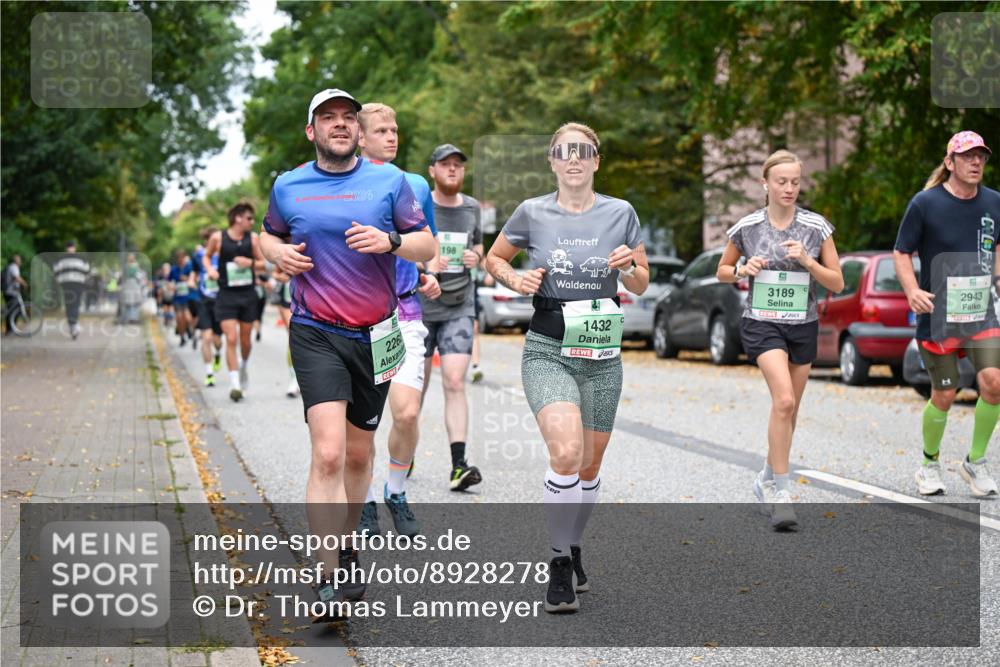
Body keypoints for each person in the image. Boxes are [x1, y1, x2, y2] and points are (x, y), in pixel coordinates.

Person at [258, 88, 434, 616]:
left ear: (358, 130)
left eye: (347, 118)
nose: (339, 124)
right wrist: (277, 254)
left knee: (359, 454)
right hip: (315, 331)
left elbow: (427, 244)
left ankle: (350, 543)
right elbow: (267, 238)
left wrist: (392, 243)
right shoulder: (288, 186)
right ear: (311, 131)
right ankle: (325, 575)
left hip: (377, 334)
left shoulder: (390, 182)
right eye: (327, 118)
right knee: (329, 451)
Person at [486, 122, 649, 613]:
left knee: (590, 465)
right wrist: (516, 279)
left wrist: (628, 267)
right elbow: (495, 258)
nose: (574, 159)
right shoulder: (531, 212)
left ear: (596, 161)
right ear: (553, 161)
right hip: (548, 348)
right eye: (564, 151)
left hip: (602, 356)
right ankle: (558, 561)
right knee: (566, 454)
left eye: (584, 151)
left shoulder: (621, 213)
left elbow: (641, 283)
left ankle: (573, 542)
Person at [716, 149, 844, 530]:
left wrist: (808, 260)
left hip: (802, 324)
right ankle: (782, 494)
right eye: (782, 181)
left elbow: (837, 281)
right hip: (762, 322)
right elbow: (722, 270)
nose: (789, 188)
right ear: (766, 184)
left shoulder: (816, 227)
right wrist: (742, 268)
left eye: (795, 181)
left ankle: (767, 476)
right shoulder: (748, 227)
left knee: (790, 411)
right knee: (783, 399)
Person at [894, 131, 999, 498]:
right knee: (945, 393)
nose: (976, 163)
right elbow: (901, 251)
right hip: (938, 316)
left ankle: (976, 461)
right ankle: (929, 464)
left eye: (981, 157)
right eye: (967, 157)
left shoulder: (994, 202)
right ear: (950, 162)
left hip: (981, 314)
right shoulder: (925, 203)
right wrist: (911, 291)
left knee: (994, 384)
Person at [355, 102, 442, 538]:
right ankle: (365, 499)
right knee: (364, 419)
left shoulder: (416, 184)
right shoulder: (343, 186)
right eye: (382, 130)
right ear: (360, 137)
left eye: (395, 129)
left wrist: (428, 273)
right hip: (356, 316)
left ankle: (395, 491)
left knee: (406, 414)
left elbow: (427, 241)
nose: (392, 136)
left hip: (404, 312)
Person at [421, 143, 485, 492]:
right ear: (432, 170)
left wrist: (477, 256)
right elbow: (402, 250)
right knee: (416, 390)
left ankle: (458, 465)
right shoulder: (419, 205)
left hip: (459, 305)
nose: (452, 170)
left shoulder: (472, 208)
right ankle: (405, 448)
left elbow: (479, 247)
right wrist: (425, 262)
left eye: (458, 165)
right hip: (420, 307)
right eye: (445, 164)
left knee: (455, 382)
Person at [204, 203, 266, 402]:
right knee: (231, 338)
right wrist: (210, 270)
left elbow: (263, 264)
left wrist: (251, 263)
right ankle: (235, 385)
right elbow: (206, 256)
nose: (251, 222)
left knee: (245, 340)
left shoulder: (253, 239)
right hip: (226, 295)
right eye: (249, 218)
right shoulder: (218, 238)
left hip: (248, 295)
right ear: (238, 218)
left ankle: (243, 366)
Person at [195, 243, 224, 387]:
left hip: (219, 303)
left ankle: (218, 354)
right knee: (206, 338)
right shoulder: (200, 257)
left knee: (217, 341)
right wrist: (191, 279)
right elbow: (193, 273)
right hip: (204, 303)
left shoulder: (223, 256)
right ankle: (209, 373)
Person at [52, 241, 92, 340]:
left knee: (68, 304)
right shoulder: (81, 258)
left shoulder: (60, 259)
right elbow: (87, 271)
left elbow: (56, 271)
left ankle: (72, 325)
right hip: (78, 283)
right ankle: (74, 325)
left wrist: (60, 280)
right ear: (74, 247)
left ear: (66, 248)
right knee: (76, 304)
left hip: (66, 284)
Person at [272, 264, 299, 397]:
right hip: (287, 297)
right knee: (293, 335)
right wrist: (281, 277)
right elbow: (275, 273)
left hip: (310, 297)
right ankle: (294, 380)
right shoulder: (287, 246)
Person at [168, 249, 195, 347]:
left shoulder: (189, 267)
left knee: (188, 317)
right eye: (178, 258)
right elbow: (169, 281)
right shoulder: (174, 269)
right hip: (178, 297)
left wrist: (187, 279)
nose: (180, 260)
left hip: (189, 296)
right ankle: (182, 337)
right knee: (179, 318)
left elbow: (195, 278)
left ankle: (191, 332)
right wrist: (171, 287)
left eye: (182, 258)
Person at [3, 254, 28, 335]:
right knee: (13, 310)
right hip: (11, 292)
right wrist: (24, 283)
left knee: (12, 310)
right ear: (16, 261)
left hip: (8, 292)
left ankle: (11, 329)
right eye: (19, 260)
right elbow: (17, 277)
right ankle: (10, 330)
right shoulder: (14, 267)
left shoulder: (10, 266)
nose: (20, 261)